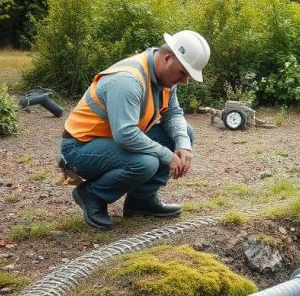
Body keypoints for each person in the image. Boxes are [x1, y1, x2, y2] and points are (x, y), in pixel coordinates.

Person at [59, 31, 211, 230]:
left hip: (113, 143)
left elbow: (172, 113)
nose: (184, 81)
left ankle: (141, 201)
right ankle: (92, 194)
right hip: (80, 149)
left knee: (185, 134)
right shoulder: (127, 80)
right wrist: (167, 155)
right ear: (167, 58)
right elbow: (126, 134)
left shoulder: (164, 77)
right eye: (183, 73)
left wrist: (183, 144)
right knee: (146, 162)